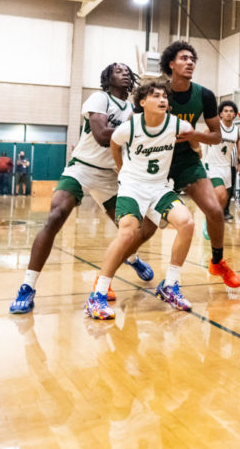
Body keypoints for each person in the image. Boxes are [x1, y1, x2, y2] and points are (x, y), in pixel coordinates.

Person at [9, 63, 155, 314]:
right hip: (82, 167)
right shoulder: (99, 98)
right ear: (107, 78)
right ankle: (27, 286)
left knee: (134, 229)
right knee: (55, 216)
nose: (125, 73)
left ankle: (131, 258)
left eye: (127, 70)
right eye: (118, 70)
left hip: (111, 176)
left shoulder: (134, 109)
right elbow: (101, 135)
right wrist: (137, 129)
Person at [85, 80, 196, 319]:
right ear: (143, 102)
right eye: (156, 96)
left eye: (165, 96)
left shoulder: (177, 124)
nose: (163, 99)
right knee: (128, 232)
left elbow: (195, 141)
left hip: (159, 187)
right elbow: (114, 144)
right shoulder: (129, 127)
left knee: (186, 222)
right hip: (133, 186)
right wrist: (120, 167)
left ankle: (170, 286)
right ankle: (97, 295)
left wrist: (195, 145)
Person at [160, 40, 240, 288]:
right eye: (184, 58)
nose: (190, 62)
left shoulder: (204, 95)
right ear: (171, 64)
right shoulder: (157, 92)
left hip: (186, 159)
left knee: (215, 211)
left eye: (192, 59)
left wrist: (192, 135)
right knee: (143, 229)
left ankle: (217, 262)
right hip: (158, 160)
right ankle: (113, 272)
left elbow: (216, 135)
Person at [202, 99, 240, 233]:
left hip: (227, 167)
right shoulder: (213, 127)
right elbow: (202, 141)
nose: (229, 113)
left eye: (231, 111)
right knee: (221, 194)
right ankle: (208, 222)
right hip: (212, 165)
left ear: (235, 114)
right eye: (226, 111)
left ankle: (212, 218)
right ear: (221, 114)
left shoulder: (238, 132)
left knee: (224, 199)